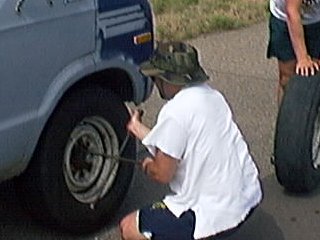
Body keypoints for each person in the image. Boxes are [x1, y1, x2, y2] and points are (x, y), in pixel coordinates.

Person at [119, 42, 263, 240]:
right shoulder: (213, 97)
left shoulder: (175, 112)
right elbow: (175, 140)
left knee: (129, 226)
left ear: (169, 79)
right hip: (245, 199)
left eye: (157, 76)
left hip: (212, 214)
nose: (154, 81)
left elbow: (162, 174)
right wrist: (137, 129)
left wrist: (149, 166)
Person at [267, 0, 320, 105]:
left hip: (316, 19)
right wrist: (303, 58)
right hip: (285, 18)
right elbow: (292, 11)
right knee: (287, 79)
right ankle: (287, 119)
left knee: (316, 76)